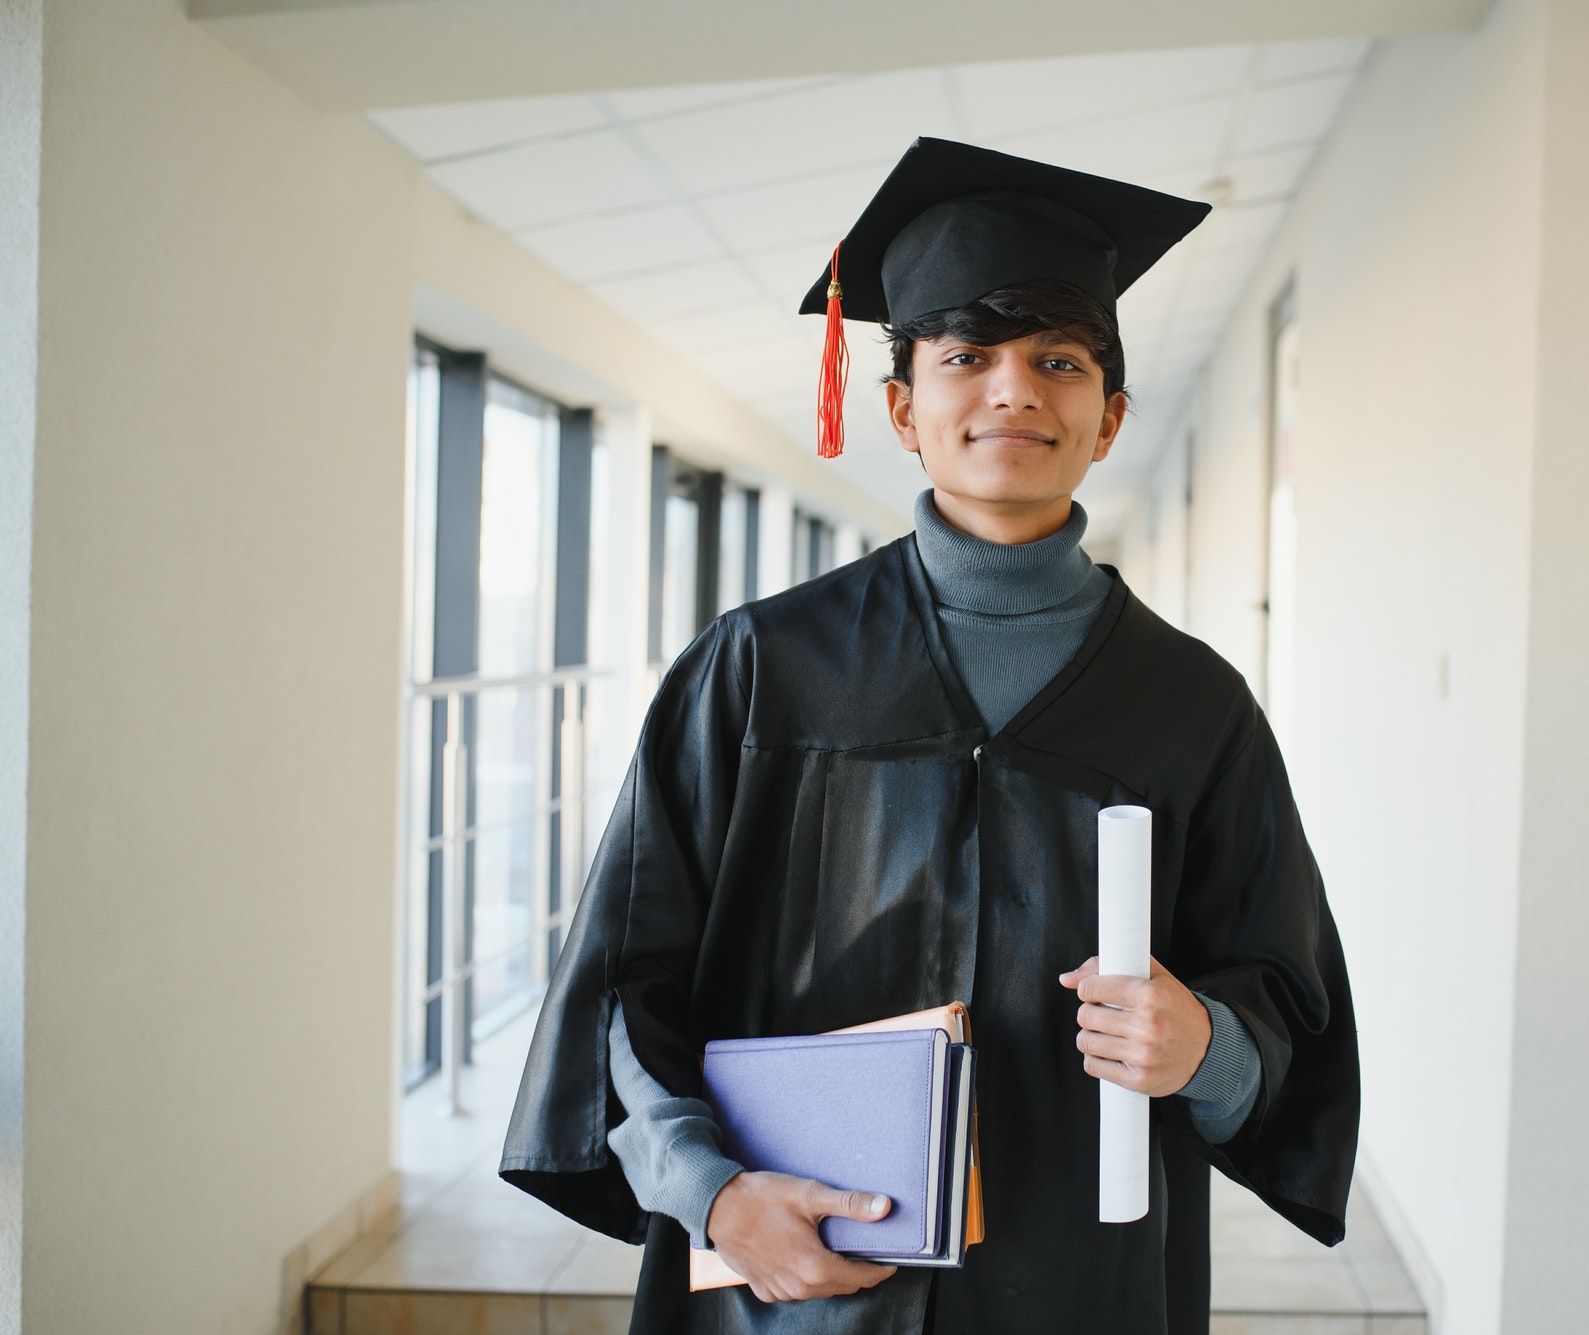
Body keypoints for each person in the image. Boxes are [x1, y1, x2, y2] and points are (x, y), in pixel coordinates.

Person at [501, 138, 1360, 1335]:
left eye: (1057, 361)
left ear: (1108, 418)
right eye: (966, 358)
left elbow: (1283, 1000)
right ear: (903, 407)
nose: (1012, 391)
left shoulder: (1190, 704)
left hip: (1077, 1285)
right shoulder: (759, 669)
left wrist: (1206, 1044)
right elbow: (622, 984)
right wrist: (710, 1194)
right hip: (792, 1279)